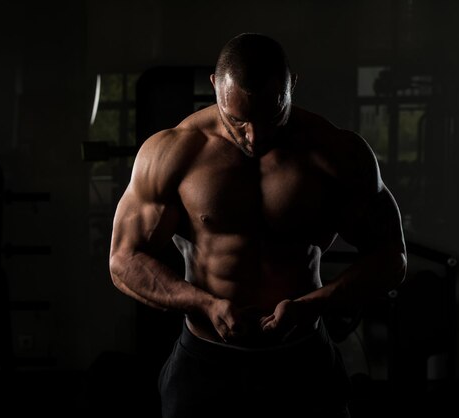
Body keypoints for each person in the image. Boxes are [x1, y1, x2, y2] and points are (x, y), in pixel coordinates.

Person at [109, 32, 407, 418]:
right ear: (216, 86)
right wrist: (205, 303)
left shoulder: (336, 153)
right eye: (237, 120)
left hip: (302, 356)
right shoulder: (173, 152)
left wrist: (311, 305)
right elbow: (123, 260)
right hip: (206, 358)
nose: (255, 136)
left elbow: (391, 258)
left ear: (291, 86)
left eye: (272, 115)